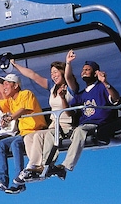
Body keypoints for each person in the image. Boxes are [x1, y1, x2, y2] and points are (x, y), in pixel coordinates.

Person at [9, 50, 79, 183]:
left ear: (62, 72)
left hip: (65, 125)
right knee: (29, 137)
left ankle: (32, 167)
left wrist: (68, 63)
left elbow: (69, 76)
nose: (53, 75)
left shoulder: (70, 87)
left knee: (39, 135)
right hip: (53, 125)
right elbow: (33, 75)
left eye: (56, 72)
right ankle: (36, 166)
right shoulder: (52, 87)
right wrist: (15, 65)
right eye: (51, 73)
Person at [48, 60, 119, 178]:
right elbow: (70, 113)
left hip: (98, 124)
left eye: (87, 70)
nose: (84, 72)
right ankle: (47, 165)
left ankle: (66, 166)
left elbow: (115, 98)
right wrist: (63, 98)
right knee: (55, 133)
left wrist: (105, 82)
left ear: (95, 73)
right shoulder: (81, 95)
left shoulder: (102, 88)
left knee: (80, 131)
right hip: (82, 125)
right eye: (83, 70)